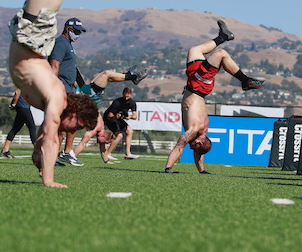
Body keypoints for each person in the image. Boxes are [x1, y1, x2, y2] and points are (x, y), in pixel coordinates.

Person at [8, 0, 150, 187]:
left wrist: (44, 173)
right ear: (72, 114)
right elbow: (48, 139)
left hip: (31, 37)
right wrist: (47, 174)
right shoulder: (58, 101)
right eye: (77, 125)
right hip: (32, 37)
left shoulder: (56, 102)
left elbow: (46, 142)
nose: (72, 131)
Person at [164, 20, 264, 174]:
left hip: (194, 84)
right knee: (221, 54)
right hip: (198, 85)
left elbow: (199, 153)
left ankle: (223, 37)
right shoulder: (194, 131)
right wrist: (168, 167)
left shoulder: (201, 134)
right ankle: (246, 81)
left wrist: (202, 171)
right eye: (194, 145)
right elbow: (180, 146)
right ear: (199, 141)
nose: (192, 146)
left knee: (194, 50)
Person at [48, 16, 147, 166]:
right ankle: (65, 153)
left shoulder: (68, 45)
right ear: (68, 29)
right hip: (65, 89)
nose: (78, 35)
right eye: (77, 31)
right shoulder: (61, 43)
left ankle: (60, 155)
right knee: (68, 124)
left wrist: (77, 86)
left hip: (74, 89)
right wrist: (55, 86)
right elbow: (54, 65)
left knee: (64, 126)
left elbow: (69, 69)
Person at [102, 87, 140, 161]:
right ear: (123, 94)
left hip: (118, 119)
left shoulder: (132, 103)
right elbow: (109, 116)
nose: (126, 98)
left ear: (131, 95)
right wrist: (116, 116)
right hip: (110, 119)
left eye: (128, 96)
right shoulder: (117, 102)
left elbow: (135, 116)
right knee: (119, 136)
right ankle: (107, 154)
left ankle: (128, 154)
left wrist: (130, 117)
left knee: (130, 131)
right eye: (125, 96)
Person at [0, 88, 38, 158]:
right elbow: (17, 92)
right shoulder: (25, 82)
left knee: (15, 129)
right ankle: (38, 151)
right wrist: (13, 104)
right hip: (23, 107)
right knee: (32, 127)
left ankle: (5, 151)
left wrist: (12, 104)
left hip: (23, 106)